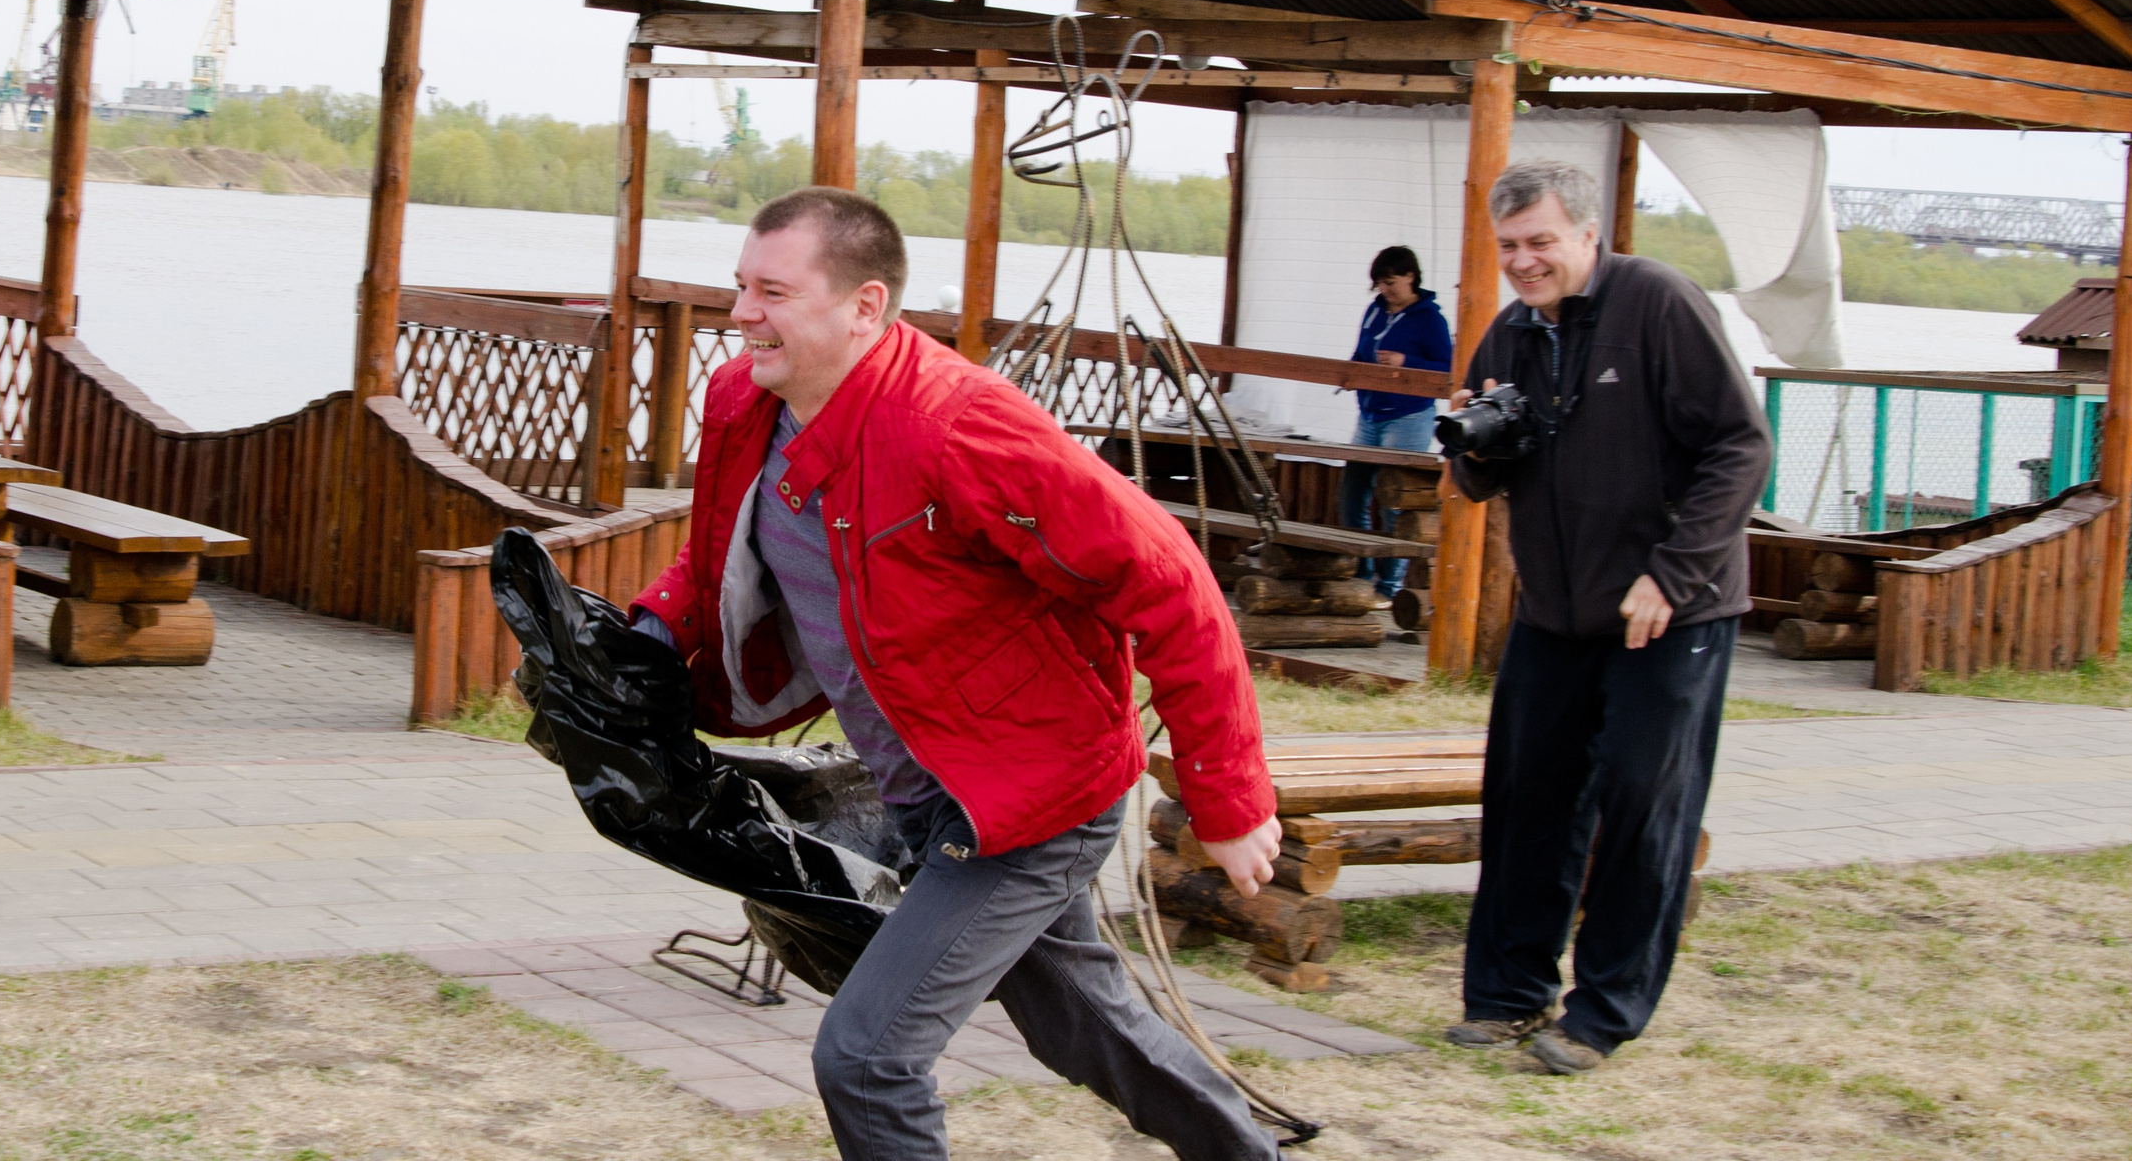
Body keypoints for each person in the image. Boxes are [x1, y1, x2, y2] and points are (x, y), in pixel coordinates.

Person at [628, 186, 1292, 1161]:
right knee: (1085, 1026)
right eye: (738, 286)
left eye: (771, 290)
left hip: (1035, 798)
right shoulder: (747, 405)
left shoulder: (959, 428)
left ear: (864, 306)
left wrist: (1226, 798)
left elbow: (1171, 581)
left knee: (865, 1058)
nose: (738, 314)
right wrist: (647, 632)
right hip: (929, 791)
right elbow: (718, 553)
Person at [1438, 160, 1771, 1074]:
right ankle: (1506, 995)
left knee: (1640, 801)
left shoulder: (1658, 303)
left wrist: (1672, 573)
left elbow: (1742, 444)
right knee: (1525, 796)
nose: (1525, 263)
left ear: (1589, 235)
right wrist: (1468, 442)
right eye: (1509, 248)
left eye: (1542, 242)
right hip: (1558, 612)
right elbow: (1481, 480)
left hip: (1671, 611)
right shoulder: (1510, 334)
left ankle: (1604, 1014)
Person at [1338, 245, 1452, 602]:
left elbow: (1448, 370)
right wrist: (1349, 372)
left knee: (1394, 501)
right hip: (1370, 414)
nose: (1385, 290)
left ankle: (1388, 587)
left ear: (1410, 277)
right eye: (1380, 284)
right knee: (1351, 493)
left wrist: (1407, 361)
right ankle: (1361, 573)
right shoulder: (1374, 312)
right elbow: (1360, 353)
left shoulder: (1430, 319)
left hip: (1409, 417)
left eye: (1390, 282)